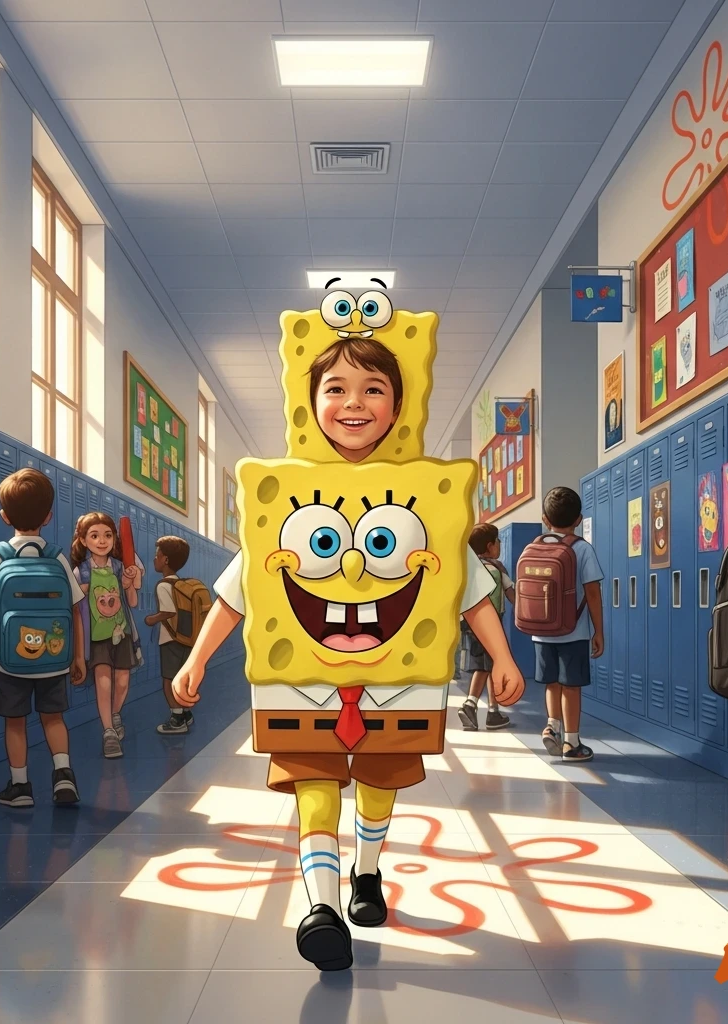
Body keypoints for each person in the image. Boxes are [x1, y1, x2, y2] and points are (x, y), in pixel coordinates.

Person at [171, 330, 523, 971]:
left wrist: (502, 657)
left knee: (379, 790)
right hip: (299, 685)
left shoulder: (429, 501)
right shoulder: (278, 501)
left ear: (397, 403)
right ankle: (323, 907)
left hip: (398, 689)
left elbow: (469, 594)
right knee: (316, 787)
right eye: (336, 388)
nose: (353, 402)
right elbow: (237, 593)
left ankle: (367, 871)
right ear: (310, 402)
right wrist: (196, 658)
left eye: (373, 389)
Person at [0, 468, 86, 807]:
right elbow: (76, 611)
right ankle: (63, 776)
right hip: (55, 657)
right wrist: (78, 657)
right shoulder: (57, 557)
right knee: (53, 718)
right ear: (48, 517)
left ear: (4, 516)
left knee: (15, 723)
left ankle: (20, 786)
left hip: (10, 662)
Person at [533, 486, 604, 762]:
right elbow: (593, 592)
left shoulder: (536, 545)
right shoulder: (581, 548)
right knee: (571, 686)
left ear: (544, 518)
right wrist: (598, 631)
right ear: (579, 520)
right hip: (573, 632)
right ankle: (571, 743)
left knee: (552, 682)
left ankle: (553, 726)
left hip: (541, 633)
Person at [70, 513, 141, 759]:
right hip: (97, 638)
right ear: (83, 540)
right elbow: (77, 610)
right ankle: (109, 731)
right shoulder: (82, 572)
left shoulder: (120, 567)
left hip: (122, 634)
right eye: (94, 535)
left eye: (108, 535)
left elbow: (131, 602)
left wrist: (131, 583)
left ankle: (114, 714)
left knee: (122, 682)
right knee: (103, 682)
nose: (102, 541)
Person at [458, 522, 516, 731]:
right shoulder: (496, 570)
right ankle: (470, 704)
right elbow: (513, 595)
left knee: (490, 666)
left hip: (471, 624)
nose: (500, 545)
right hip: (491, 627)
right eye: (498, 541)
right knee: (484, 667)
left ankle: (493, 711)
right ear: (490, 546)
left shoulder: (468, 569)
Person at [145, 535, 196, 735]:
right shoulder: (182, 585)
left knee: (169, 680)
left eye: (157, 555)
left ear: (165, 560)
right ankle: (186, 714)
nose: (154, 559)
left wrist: (152, 619)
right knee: (181, 678)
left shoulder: (163, 585)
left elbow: (169, 612)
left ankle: (177, 719)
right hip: (186, 638)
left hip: (170, 640)